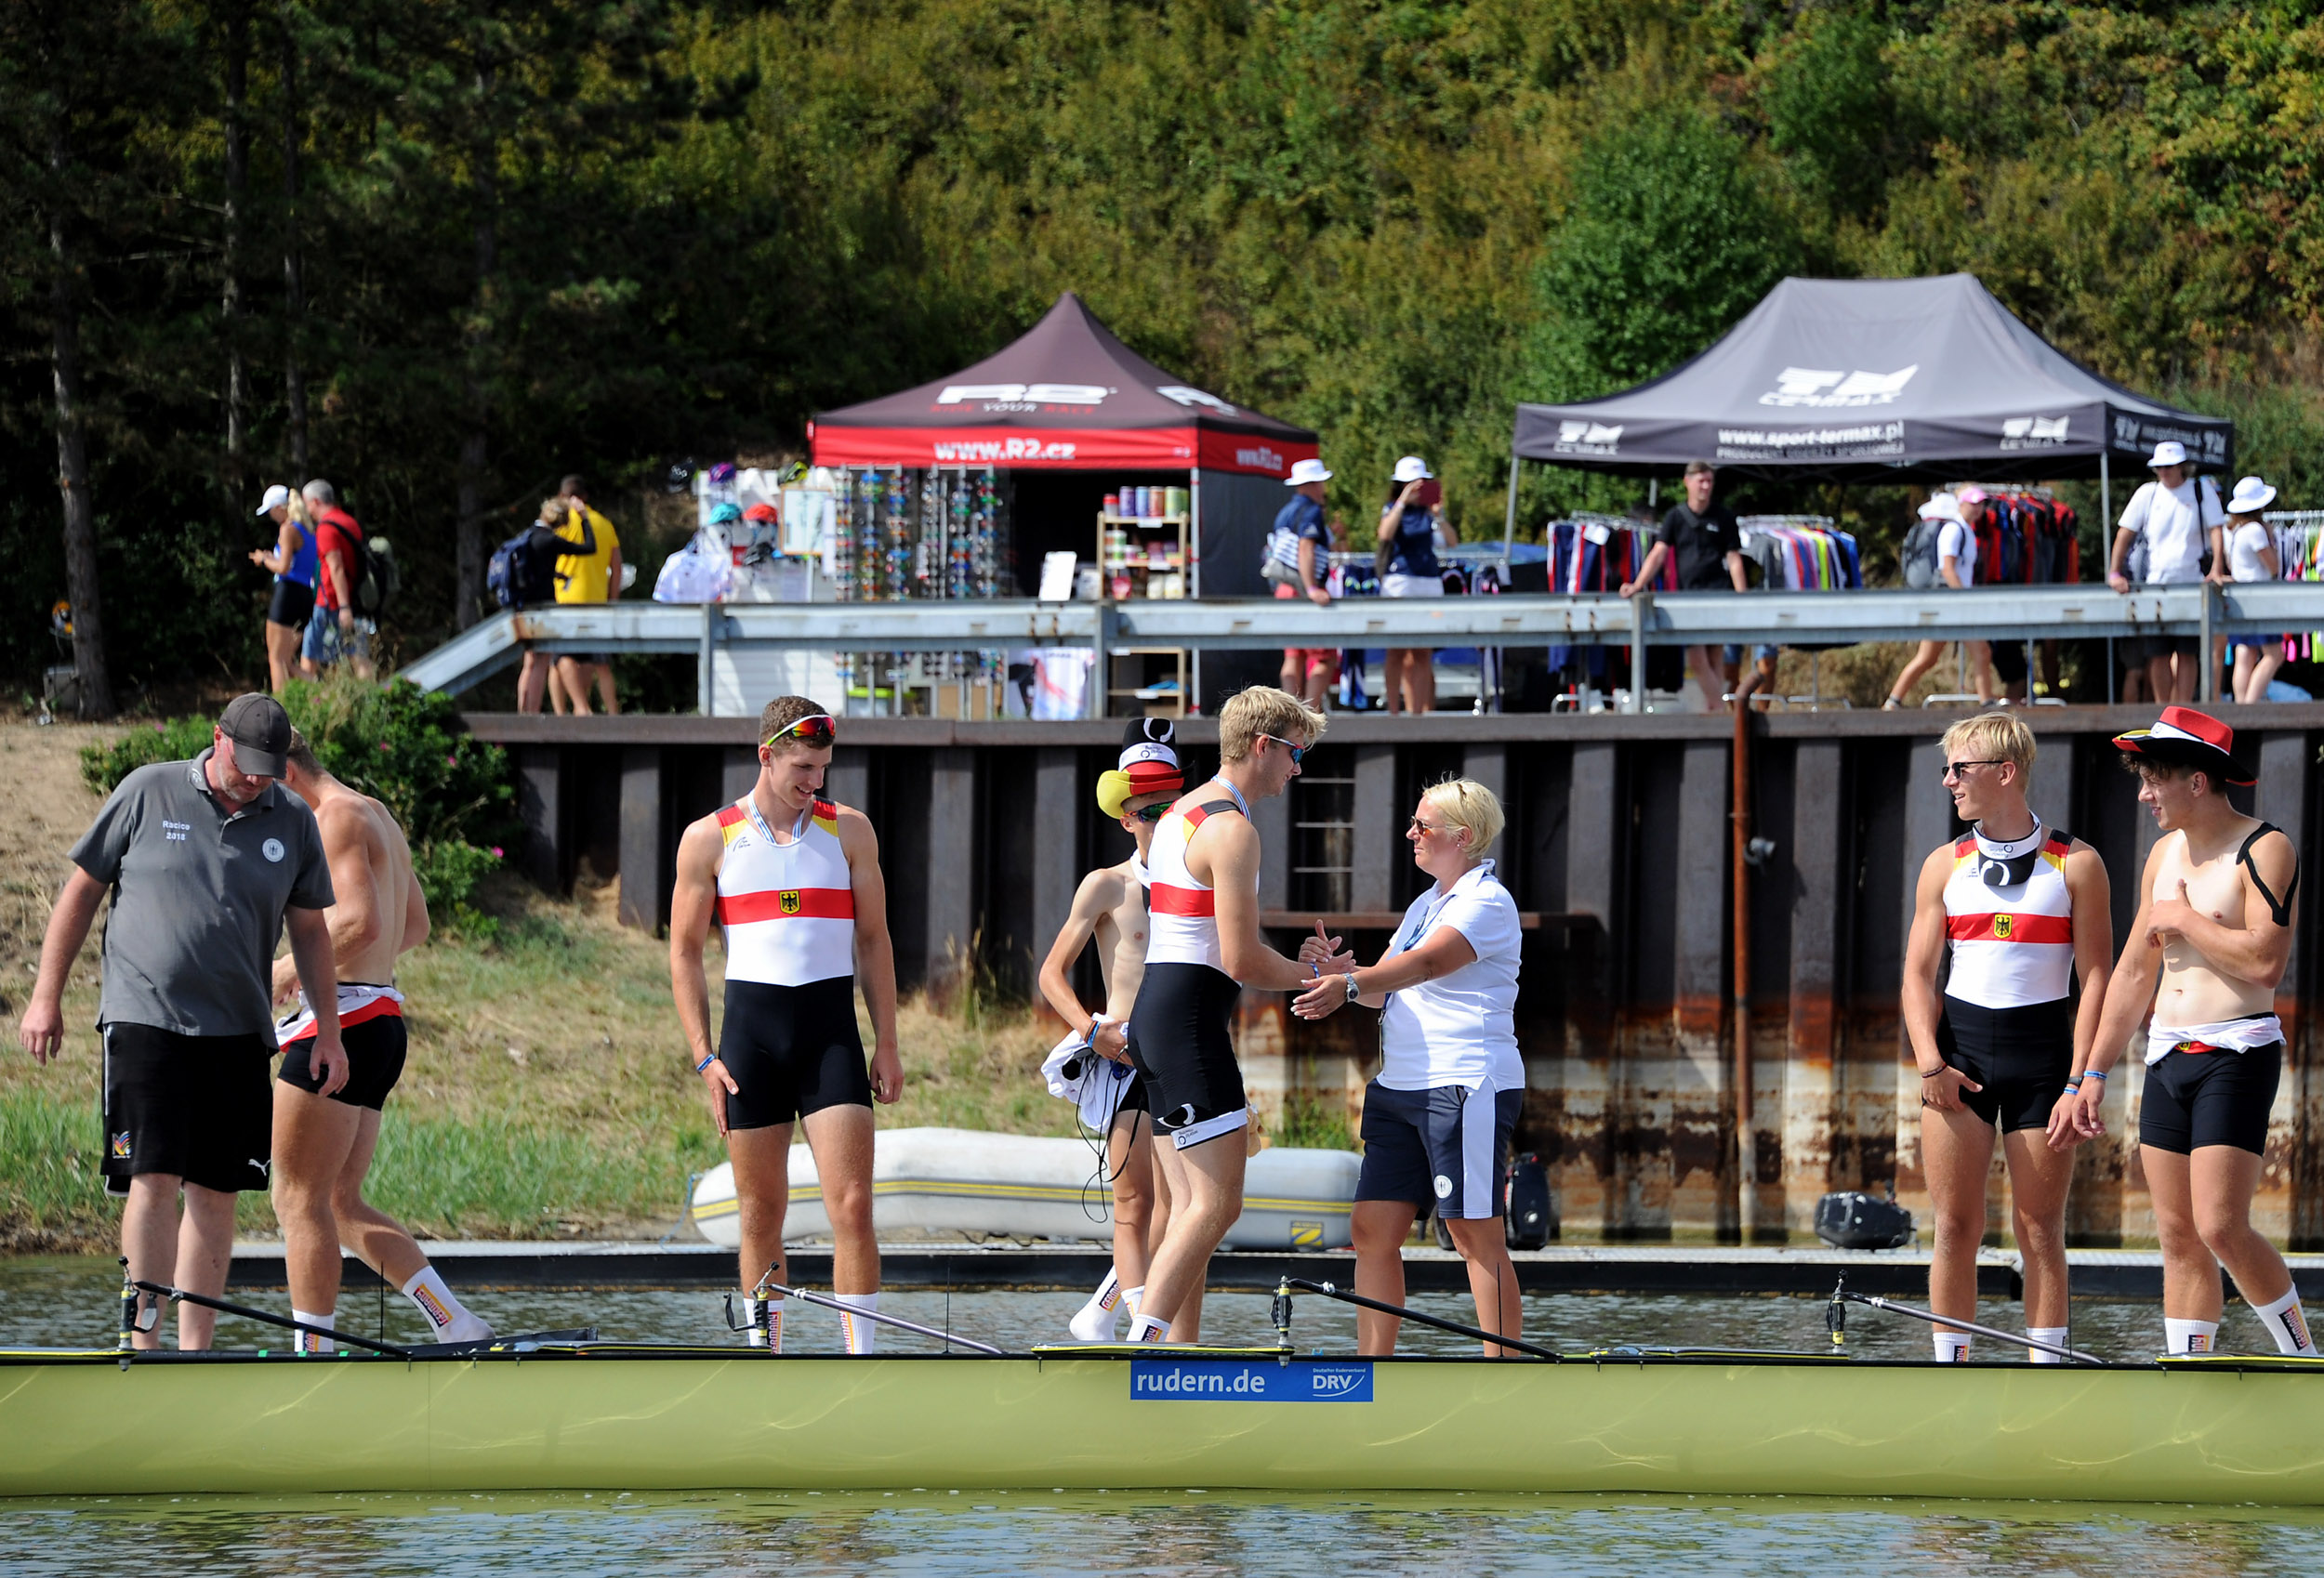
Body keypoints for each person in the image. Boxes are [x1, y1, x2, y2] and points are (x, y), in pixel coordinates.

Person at [16, 694, 343, 1351]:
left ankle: (196, 1350)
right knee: (155, 1176)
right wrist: (45, 996)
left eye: (269, 770)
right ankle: (143, 1340)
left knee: (217, 1191)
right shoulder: (148, 791)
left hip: (239, 1030)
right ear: (217, 740)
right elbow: (81, 892)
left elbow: (309, 933)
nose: (255, 779)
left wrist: (329, 1032)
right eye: (247, 764)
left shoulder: (295, 822)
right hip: (146, 1019)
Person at [2068, 708, 2311, 1357]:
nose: (2144, 794)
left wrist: (2184, 918)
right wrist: (2091, 1072)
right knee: (2176, 1233)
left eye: (2153, 780)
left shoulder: (2266, 847)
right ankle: (2190, 1367)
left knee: (2221, 1226)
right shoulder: (2162, 855)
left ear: (2197, 781)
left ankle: (2302, 1357)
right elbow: (2131, 974)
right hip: (2167, 1055)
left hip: (2236, 1051)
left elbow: (2266, 961)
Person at [669, 696, 902, 1352]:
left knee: (852, 1206)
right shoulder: (709, 838)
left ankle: (863, 1361)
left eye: (823, 768)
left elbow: (876, 942)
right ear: (766, 755)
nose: (815, 782)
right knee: (760, 1214)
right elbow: (683, 953)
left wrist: (887, 1042)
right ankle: (764, 1356)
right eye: (803, 767)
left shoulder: (849, 832)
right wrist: (703, 1056)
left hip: (830, 1037)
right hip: (751, 1047)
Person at [1128, 686, 1341, 1343]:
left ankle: (1177, 1357)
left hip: (1157, 1020)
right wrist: (1319, 975)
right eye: (1295, 752)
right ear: (1262, 746)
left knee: (1190, 1207)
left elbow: (1205, 934)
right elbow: (1242, 961)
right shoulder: (1234, 829)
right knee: (1218, 1205)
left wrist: (1298, 958)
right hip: (1190, 1027)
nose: (1298, 768)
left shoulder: (1180, 816)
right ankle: (1144, 1353)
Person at [268, 730, 492, 1349]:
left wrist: (289, 970)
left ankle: (312, 1349)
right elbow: (411, 923)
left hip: (340, 1025)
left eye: (262, 784)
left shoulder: (332, 817)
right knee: (339, 1201)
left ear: (287, 773)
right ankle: (455, 1323)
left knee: (297, 1198)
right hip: (382, 1021)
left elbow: (361, 922)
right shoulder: (376, 813)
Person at [1903, 712, 2112, 1362]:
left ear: (2005, 771)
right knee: (1956, 1228)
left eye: (1958, 769)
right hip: (1958, 1062)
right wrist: (1931, 1063)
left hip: (2044, 1067)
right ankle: (1951, 1372)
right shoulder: (1944, 865)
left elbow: (2098, 979)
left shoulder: (2077, 865)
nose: (1948, 782)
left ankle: (2045, 1374)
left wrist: (2080, 1080)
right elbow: (1915, 976)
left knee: (2040, 1229)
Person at [1290, 778, 1525, 1357]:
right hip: (1400, 1088)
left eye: (1423, 825)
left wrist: (1351, 983)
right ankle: (1376, 1371)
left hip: (1464, 1083)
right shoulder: (1426, 903)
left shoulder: (1487, 901)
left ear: (1462, 837)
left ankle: (1508, 1375)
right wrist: (1339, 973)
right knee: (1370, 1230)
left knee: (1474, 1234)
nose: (1411, 833)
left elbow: (1426, 964)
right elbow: (1382, 990)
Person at [1035, 718, 1184, 1341]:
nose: (1159, 819)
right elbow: (1050, 973)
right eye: (1147, 811)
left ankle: (1104, 1313)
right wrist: (1091, 1030)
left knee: (1187, 1210)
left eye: (1169, 807)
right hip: (1125, 1058)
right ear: (1126, 817)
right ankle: (1134, 1333)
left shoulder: (1197, 881)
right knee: (1134, 1204)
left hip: (1185, 1055)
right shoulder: (1108, 885)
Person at [1620, 461, 1748, 711]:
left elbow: (1734, 559)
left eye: (1709, 481)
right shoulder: (1676, 517)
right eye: (1701, 480)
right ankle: (1721, 711)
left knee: (1715, 658)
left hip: (1718, 595)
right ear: (1687, 482)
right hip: (1689, 597)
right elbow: (1658, 552)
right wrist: (1637, 584)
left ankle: (1714, 714)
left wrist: (1743, 598)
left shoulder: (1723, 517)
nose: (1706, 486)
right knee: (1697, 658)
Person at [2108, 441, 2224, 704]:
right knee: (2158, 654)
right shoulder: (2147, 494)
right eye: (2159, 467)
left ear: (2182, 467)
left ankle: (2182, 708)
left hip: (2191, 585)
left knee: (2187, 652)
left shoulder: (2199, 490)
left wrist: (2217, 568)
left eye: (2169, 467)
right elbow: (2124, 533)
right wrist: (2115, 572)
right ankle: (2163, 709)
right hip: (2155, 587)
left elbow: (2217, 530)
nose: (2164, 472)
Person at [1884, 493, 1995, 709]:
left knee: (1928, 657)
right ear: (1960, 504)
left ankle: (1893, 701)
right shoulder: (1954, 530)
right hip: (1952, 604)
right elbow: (1947, 569)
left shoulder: (1965, 530)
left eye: (1981, 504)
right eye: (1973, 504)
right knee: (1980, 651)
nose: (1978, 508)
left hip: (1951, 604)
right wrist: (1963, 600)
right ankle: (1987, 703)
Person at [1378, 456, 1452, 715]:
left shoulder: (1428, 513)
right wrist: (1401, 503)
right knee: (1396, 649)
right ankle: (1393, 713)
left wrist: (1438, 515)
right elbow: (1385, 534)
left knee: (1422, 651)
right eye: (1413, 483)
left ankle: (1418, 714)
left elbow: (1451, 542)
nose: (1419, 488)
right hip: (1400, 582)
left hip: (1428, 582)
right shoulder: (1392, 508)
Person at [551, 474, 624, 717]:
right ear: (586, 497)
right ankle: (611, 712)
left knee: (559, 660)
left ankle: (567, 712)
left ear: (563, 496)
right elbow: (617, 566)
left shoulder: (560, 524)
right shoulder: (604, 524)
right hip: (597, 600)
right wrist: (612, 600)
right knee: (596, 661)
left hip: (566, 598)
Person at [514, 499, 595, 715]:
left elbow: (535, 569)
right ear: (561, 522)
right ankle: (532, 711)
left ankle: (523, 712)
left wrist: (556, 574)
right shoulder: (550, 540)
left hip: (524, 605)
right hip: (543, 607)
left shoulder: (528, 535)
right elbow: (589, 547)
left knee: (528, 663)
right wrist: (584, 518)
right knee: (541, 660)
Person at [1271, 458, 1337, 708]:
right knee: (1324, 657)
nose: (1323, 488)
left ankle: (1289, 713)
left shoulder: (1285, 512)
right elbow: (1306, 549)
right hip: (1302, 590)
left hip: (1284, 589)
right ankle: (1309, 713)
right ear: (1314, 483)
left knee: (1293, 655)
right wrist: (1312, 589)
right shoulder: (1311, 511)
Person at [2219, 476, 2286, 705]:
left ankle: (2241, 705)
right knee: (2275, 654)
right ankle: (2250, 703)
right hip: (2258, 599)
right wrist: (2270, 537)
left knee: (2245, 654)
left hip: (2239, 598)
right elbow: (2274, 566)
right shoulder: (2256, 530)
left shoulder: (2235, 531)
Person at [303, 480, 376, 681]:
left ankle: (306, 703)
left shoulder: (326, 528)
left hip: (331, 603)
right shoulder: (349, 522)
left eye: (307, 504)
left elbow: (336, 567)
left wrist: (343, 607)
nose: (307, 510)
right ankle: (369, 701)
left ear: (316, 502)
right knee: (358, 656)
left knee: (309, 656)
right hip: (352, 600)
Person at [247, 484, 318, 693]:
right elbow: (300, 565)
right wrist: (272, 558)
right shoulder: (309, 529)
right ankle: (323, 690)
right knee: (287, 661)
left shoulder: (288, 529)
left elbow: (284, 568)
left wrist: (263, 559)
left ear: (280, 507)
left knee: (276, 658)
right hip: (305, 596)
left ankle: (279, 710)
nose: (270, 516)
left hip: (287, 595)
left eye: (271, 511)